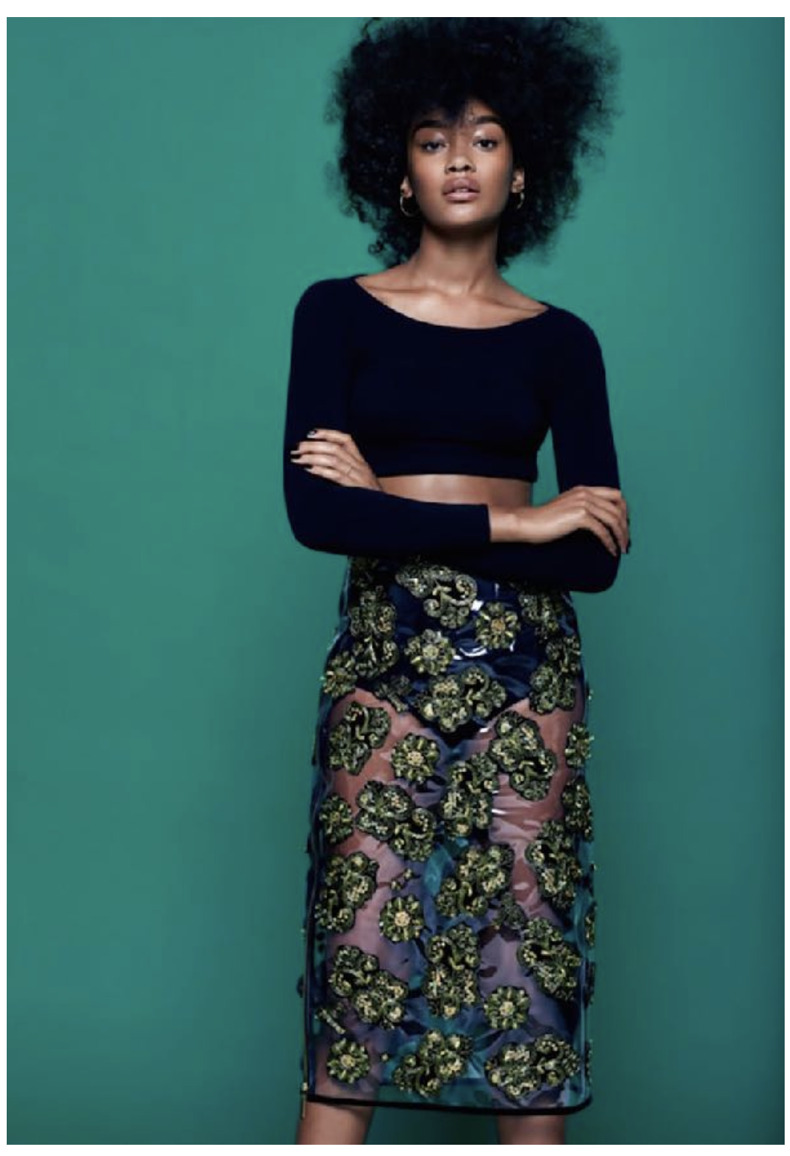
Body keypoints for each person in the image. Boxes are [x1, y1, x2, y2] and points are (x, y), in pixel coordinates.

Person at [281, 17, 631, 1145]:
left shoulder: (561, 342)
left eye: (486, 137)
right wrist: (518, 520)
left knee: (530, 981)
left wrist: (395, 503)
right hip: (381, 666)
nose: (463, 157)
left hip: (531, 680)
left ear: (526, 168)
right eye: (435, 139)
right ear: (399, 166)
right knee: (355, 971)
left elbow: (592, 558)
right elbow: (312, 514)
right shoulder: (333, 310)